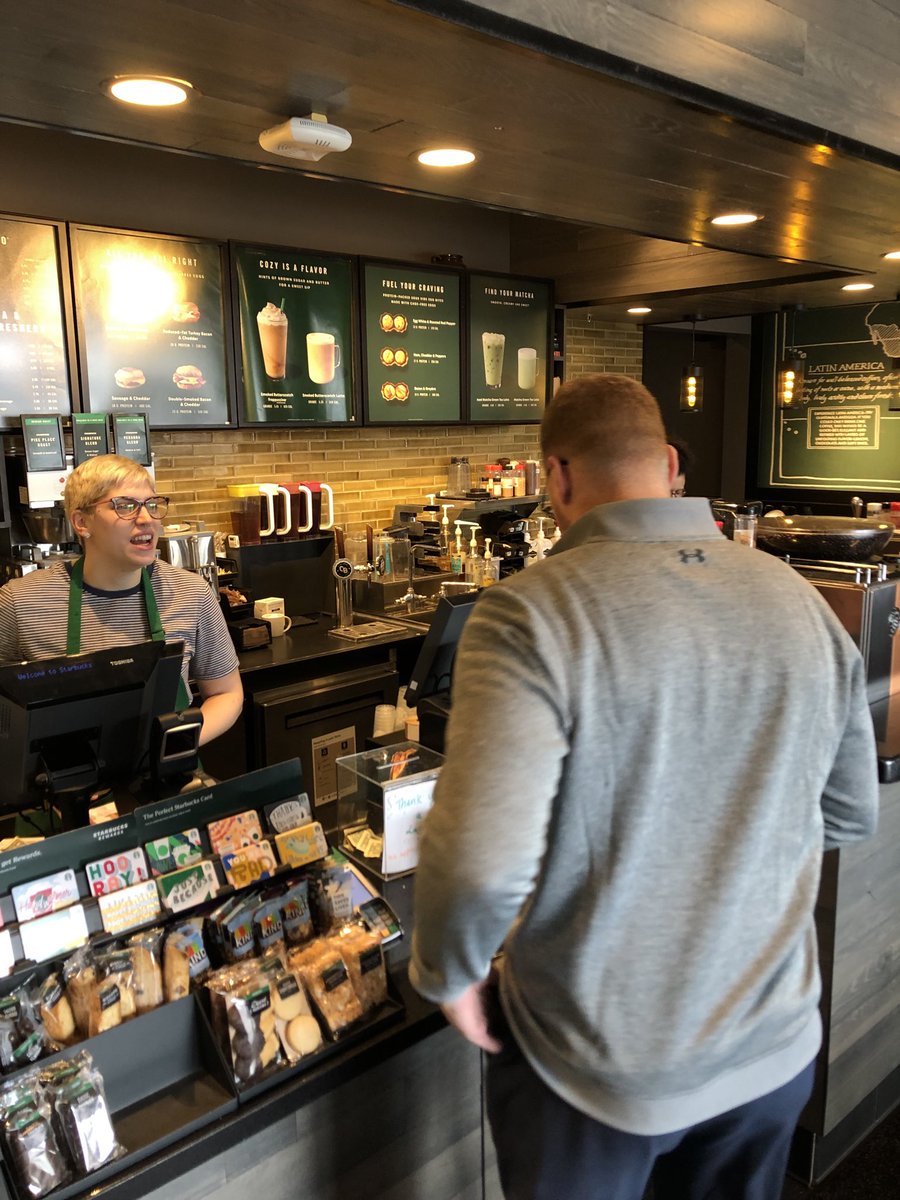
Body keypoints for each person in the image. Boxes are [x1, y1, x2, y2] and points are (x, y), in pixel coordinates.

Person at [409, 374, 878, 1200]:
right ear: (669, 465)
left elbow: (482, 861)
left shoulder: (529, 613)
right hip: (771, 1049)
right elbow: (846, 811)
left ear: (555, 476)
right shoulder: (799, 600)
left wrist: (449, 973)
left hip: (598, 1067)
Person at [0, 454, 243, 747]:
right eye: (125, 506)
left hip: (164, 769)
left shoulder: (191, 593)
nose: (146, 519)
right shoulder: (20, 602)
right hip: (66, 774)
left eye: (152, 505)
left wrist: (176, 744)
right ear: (81, 522)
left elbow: (226, 693)